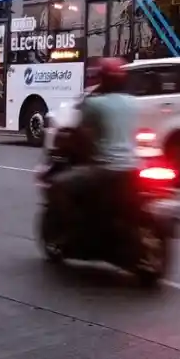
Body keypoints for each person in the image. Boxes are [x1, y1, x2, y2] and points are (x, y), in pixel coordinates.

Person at [48, 57, 139, 236]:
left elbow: (80, 133)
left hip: (105, 168)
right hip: (132, 167)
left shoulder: (95, 104)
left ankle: (74, 230)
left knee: (58, 185)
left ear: (102, 79)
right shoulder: (132, 102)